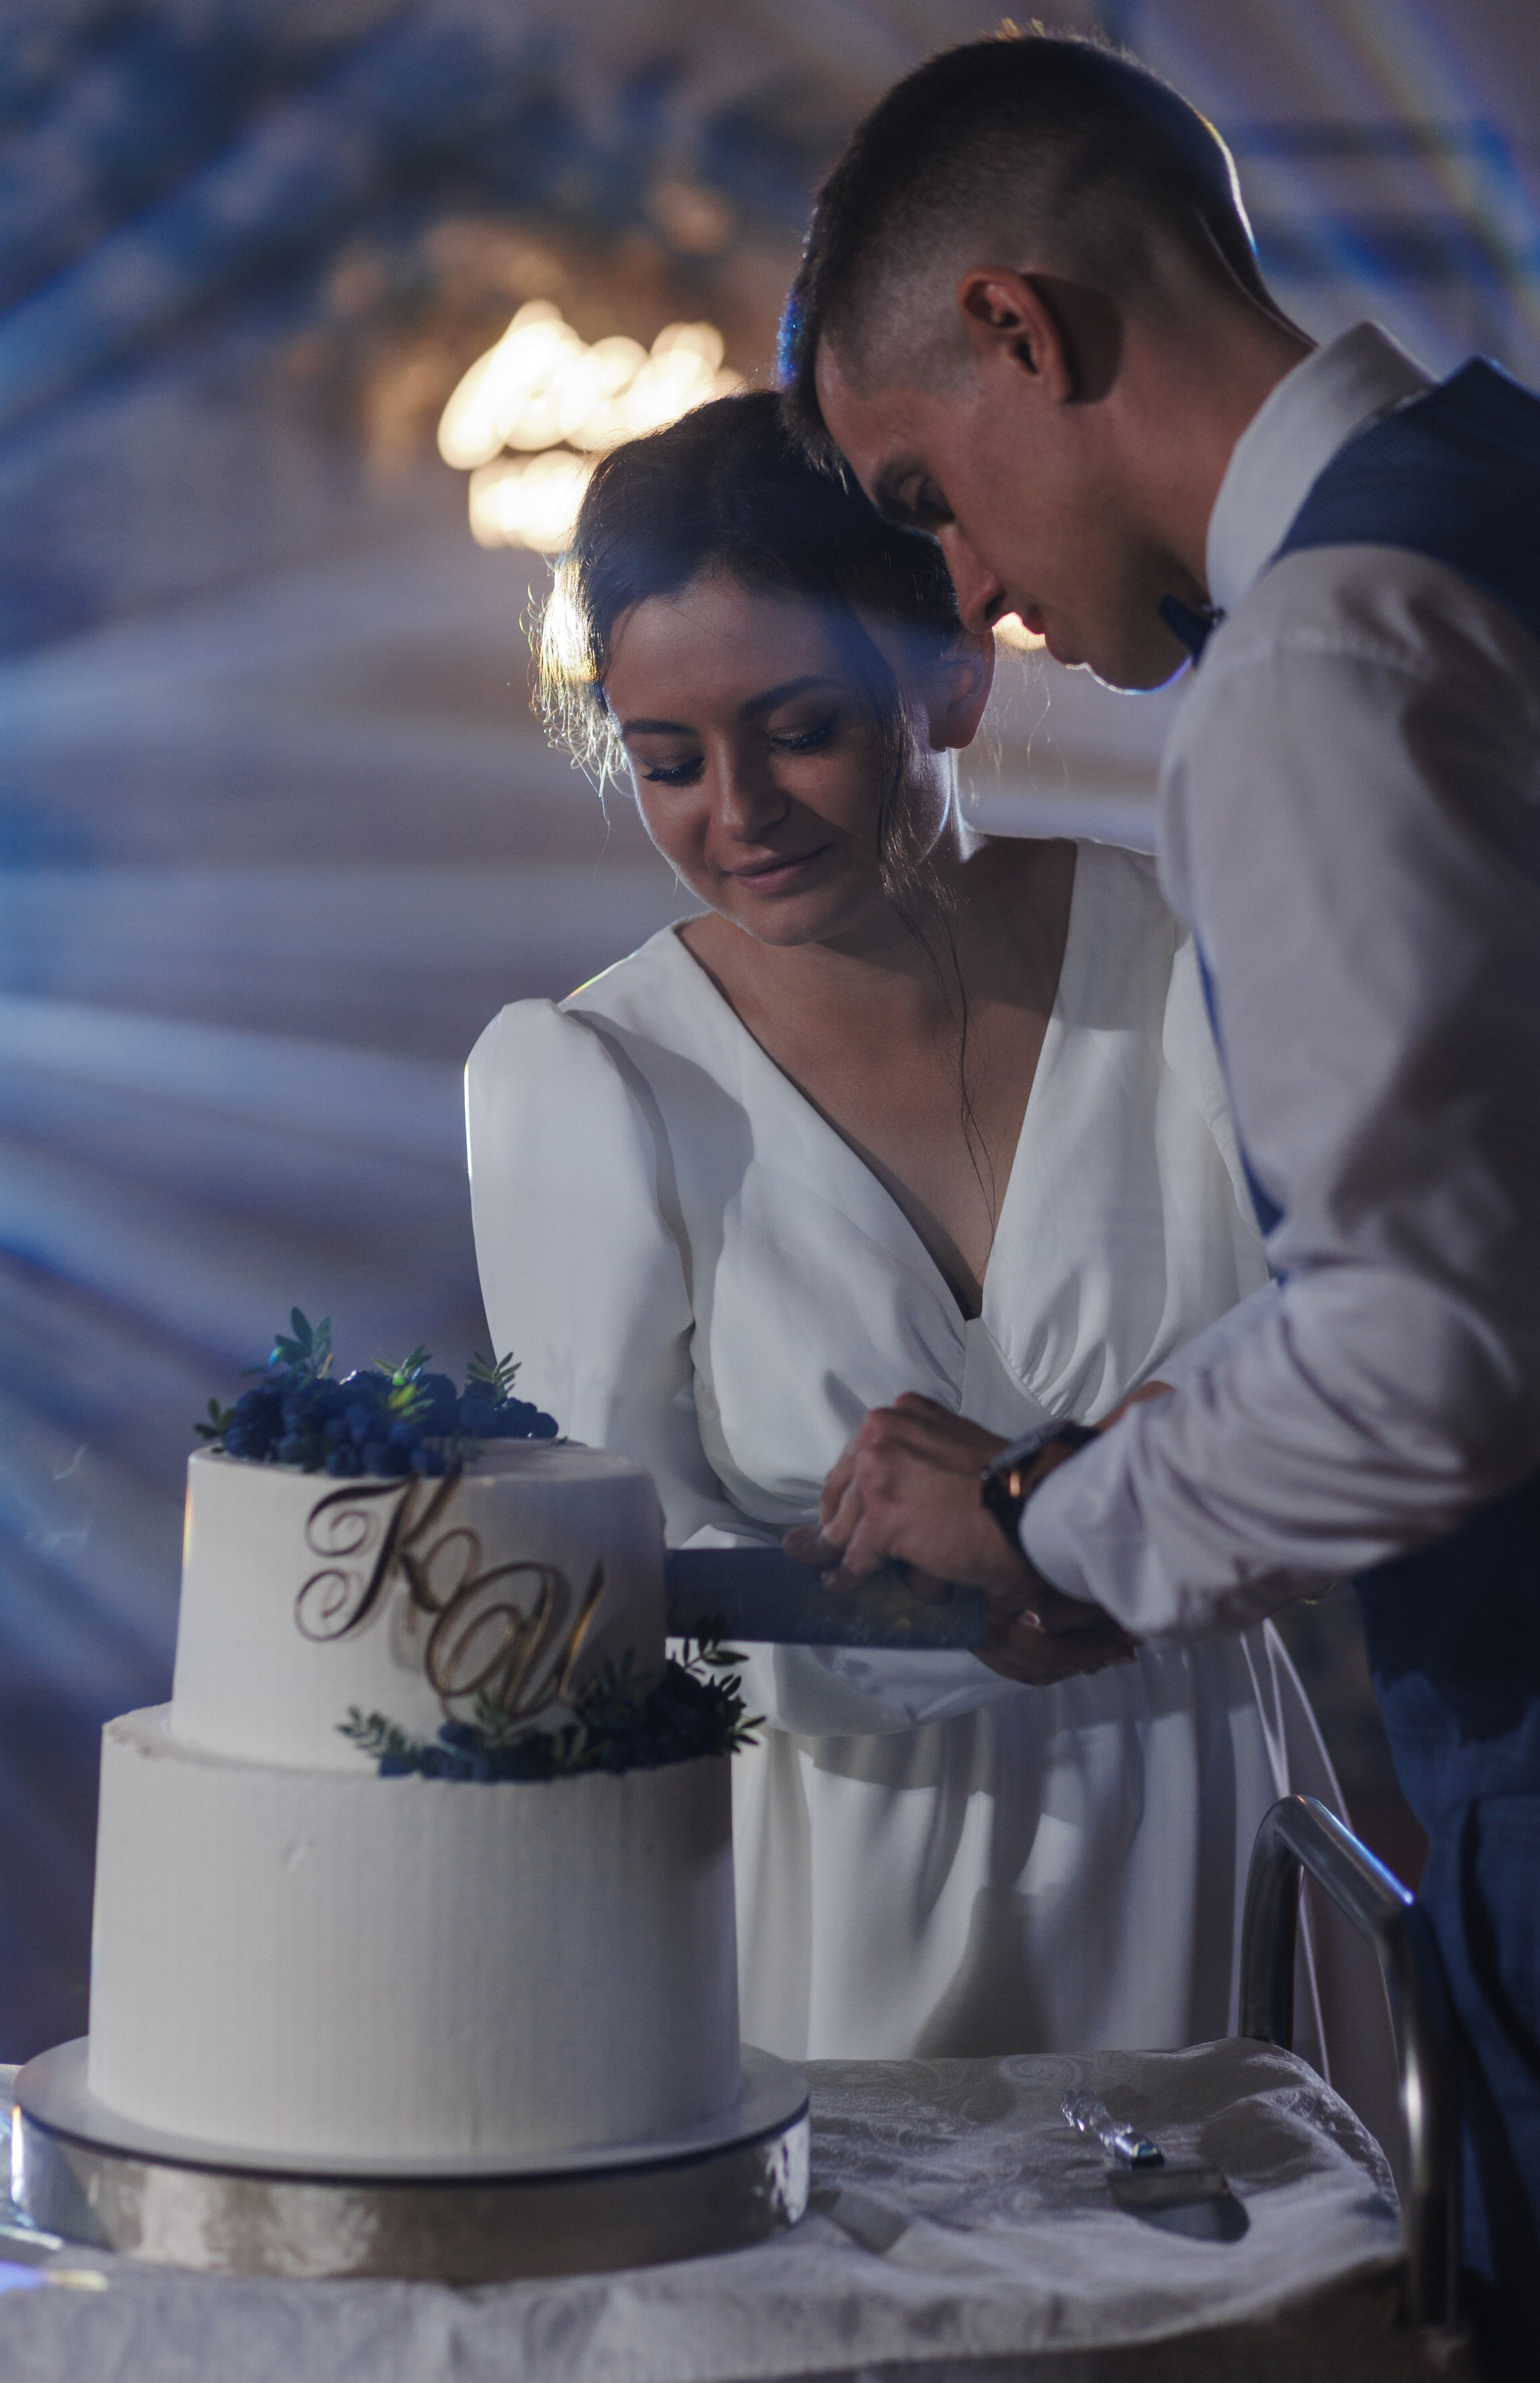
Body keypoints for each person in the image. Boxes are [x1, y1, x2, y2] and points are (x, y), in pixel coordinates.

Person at [779, 28, 1540, 2383]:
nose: (973, 597)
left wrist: (1049, 1522)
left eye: (932, 495)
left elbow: (1431, 1356)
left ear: (1026, 329)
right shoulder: (1509, 480)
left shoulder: (1317, 661)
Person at [465, 388, 1390, 2115]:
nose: (738, 811)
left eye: (800, 728)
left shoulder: (1190, 947)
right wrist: (956, 1623)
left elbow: (1363, 1357)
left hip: (1186, 1817)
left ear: (949, 676)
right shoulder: (589, 1080)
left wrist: (1084, 1526)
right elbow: (618, 1594)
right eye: (668, 762)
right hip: (826, 1893)